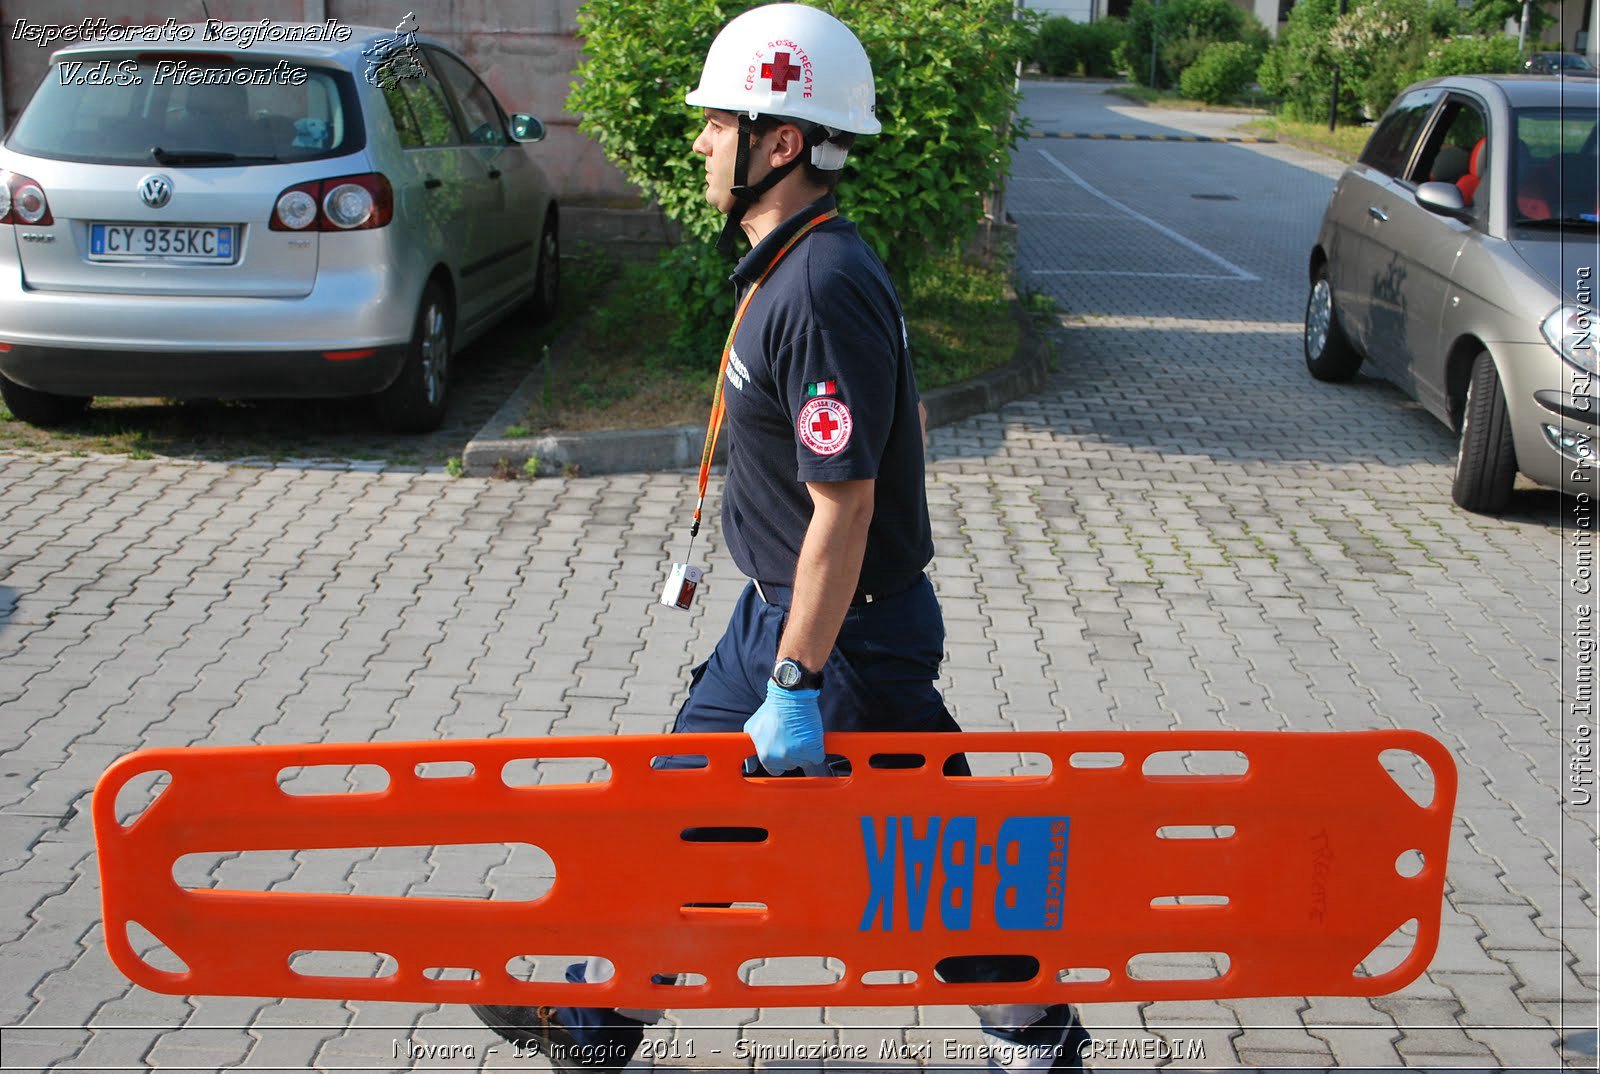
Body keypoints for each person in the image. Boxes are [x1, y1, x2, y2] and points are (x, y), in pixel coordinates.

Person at [473, 4, 1090, 1070]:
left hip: (836, 635)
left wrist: (798, 679)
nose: (702, 142)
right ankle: (598, 1019)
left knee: (926, 860)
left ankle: (1037, 1040)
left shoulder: (818, 284)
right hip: (791, 617)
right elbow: (893, 427)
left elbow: (844, 504)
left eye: (718, 124)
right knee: (694, 813)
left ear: (781, 141)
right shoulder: (802, 263)